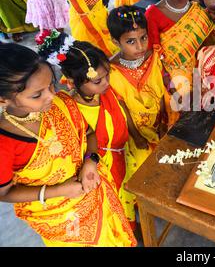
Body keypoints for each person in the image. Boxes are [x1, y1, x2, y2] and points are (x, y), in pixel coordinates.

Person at [0, 43, 136, 247]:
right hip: (61, 217)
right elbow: (4, 192)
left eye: (51, 85)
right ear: (3, 100)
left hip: (94, 192)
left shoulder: (62, 102)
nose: (51, 95)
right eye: (37, 94)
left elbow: (89, 133)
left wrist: (91, 162)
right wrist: (58, 191)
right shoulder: (5, 141)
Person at [38, 33, 141, 229]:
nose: (106, 83)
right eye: (97, 81)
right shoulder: (72, 110)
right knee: (114, 208)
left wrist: (135, 134)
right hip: (101, 169)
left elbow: (121, 108)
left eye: (107, 75)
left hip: (124, 153)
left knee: (128, 195)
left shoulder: (104, 91)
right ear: (72, 81)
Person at [145, 0, 215, 98]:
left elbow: (208, 48)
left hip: (201, 77)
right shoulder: (153, 14)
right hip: (171, 85)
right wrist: (171, 85)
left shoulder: (197, 10)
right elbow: (153, 56)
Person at [107, 6, 168, 169]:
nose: (140, 46)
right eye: (130, 41)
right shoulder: (112, 71)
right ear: (115, 41)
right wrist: (136, 135)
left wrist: (163, 121)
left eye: (143, 37)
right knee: (143, 165)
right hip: (134, 130)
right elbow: (122, 107)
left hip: (158, 121)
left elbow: (160, 92)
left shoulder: (153, 57)